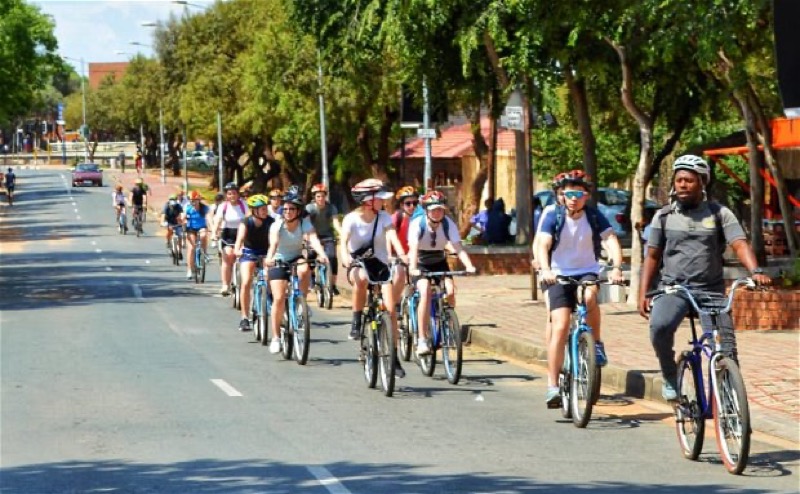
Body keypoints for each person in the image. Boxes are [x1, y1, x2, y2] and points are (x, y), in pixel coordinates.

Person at [638, 154, 772, 401]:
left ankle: (729, 402)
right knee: (660, 327)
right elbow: (652, 256)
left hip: (711, 290)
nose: (682, 185)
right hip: (674, 289)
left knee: (725, 347)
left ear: (702, 183)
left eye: (689, 180)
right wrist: (643, 292)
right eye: (679, 180)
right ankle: (669, 375)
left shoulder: (719, 214)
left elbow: (739, 244)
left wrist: (756, 271)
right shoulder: (663, 216)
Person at [536, 169, 624, 408]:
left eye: (578, 194)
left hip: (586, 270)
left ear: (587, 196)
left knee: (589, 297)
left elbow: (610, 240)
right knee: (561, 325)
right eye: (569, 194)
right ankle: (553, 385)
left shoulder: (594, 216)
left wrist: (617, 267)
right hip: (557, 273)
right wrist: (546, 270)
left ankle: (596, 343)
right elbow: (543, 245)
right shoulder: (553, 215)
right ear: (561, 196)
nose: (573, 198)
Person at [340, 179, 407, 377]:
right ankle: (356, 320)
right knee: (361, 279)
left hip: (380, 265)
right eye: (379, 198)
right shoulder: (351, 219)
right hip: (357, 263)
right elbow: (343, 242)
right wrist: (345, 258)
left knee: (391, 310)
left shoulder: (384, 217)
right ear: (367, 201)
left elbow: (392, 236)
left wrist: (402, 255)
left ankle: (393, 357)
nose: (383, 202)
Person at [407, 190, 477, 356]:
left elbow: (458, 247)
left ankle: (447, 322)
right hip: (421, 262)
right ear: (426, 211)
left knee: (450, 291)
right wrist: (413, 268)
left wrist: (469, 266)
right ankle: (422, 339)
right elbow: (413, 249)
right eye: (433, 210)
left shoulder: (448, 224)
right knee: (425, 292)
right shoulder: (417, 224)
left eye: (440, 209)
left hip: (439, 260)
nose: (437, 213)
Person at [265, 188, 329, 354]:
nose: (287, 212)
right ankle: (276, 337)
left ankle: (301, 300)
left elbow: (313, 239)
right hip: (278, 259)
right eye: (285, 209)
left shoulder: (303, 223)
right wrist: (269, 258)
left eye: (291, 209)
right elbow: (273, 244)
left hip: (296, 257)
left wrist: (322, 254)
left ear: (298, 211)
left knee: (305, 268)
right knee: (279, 298)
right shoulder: (277, 225)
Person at [233, 194, 275, 332]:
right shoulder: (246, 222)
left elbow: (275, 239)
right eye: (262, 209)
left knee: (270, 277)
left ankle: (270, 296)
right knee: (246, 281)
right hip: (249, 252)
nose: (265, 211)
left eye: (265, 208)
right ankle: (244, 317)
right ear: (254, 211)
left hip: (266, 252)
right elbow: (240, 238)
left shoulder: (271, 222)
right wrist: (237, 249)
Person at [212, 182, 248, 295]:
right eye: (229, 194)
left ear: (238, 194)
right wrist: (214, 233)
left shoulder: (243, 205)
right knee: (228, 256)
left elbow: (249, 217)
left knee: (241, 256)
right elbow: (217, 220)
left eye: (234, 193)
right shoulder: (223, 206)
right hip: (228, 234)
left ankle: (242, 281)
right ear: (226, 195)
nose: (232, 196)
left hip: (242, 233)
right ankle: (225, 285)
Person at [305, 183, 341, 295]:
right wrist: (307, 237)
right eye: (318, 196)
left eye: (323, 196)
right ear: (314, 197)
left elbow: (335, 222)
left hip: (327, 236)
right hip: (313, 235)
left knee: (332, 257)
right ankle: (311, 279)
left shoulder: (331, 207)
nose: (321, 198)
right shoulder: (309, 208)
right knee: (311, 256)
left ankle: (332, 284)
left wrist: (342, 233)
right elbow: (306, 224)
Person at [183, 190, 212, 280]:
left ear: (199, 200)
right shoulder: (188, 207)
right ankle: (189, 270)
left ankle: (205, 253)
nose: (193, 202)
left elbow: (209, 218)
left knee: (203, 235)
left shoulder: (204, 208)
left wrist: (211, 227)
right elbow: (183, 217)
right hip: (191, 228)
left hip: (201, 227)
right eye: (191, 200)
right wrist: (183, 221)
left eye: (195, 200)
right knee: (191, 248)